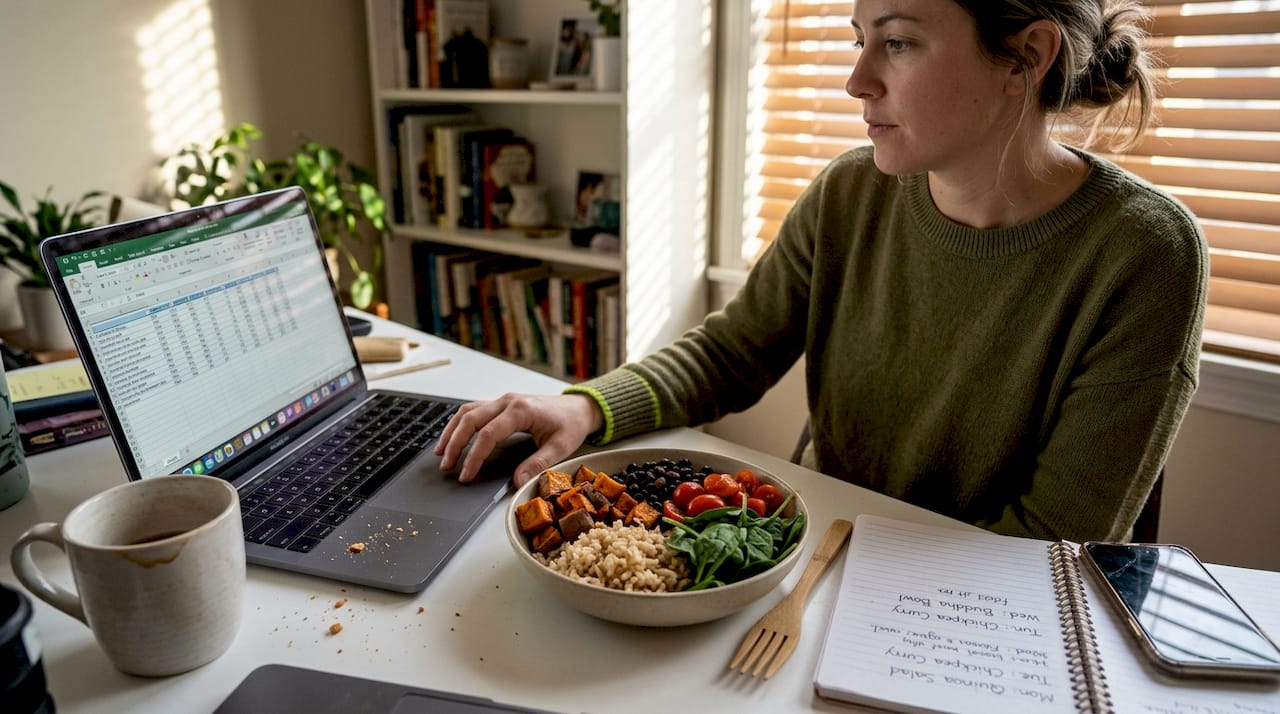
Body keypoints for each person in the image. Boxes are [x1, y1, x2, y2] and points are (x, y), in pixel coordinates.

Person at [435, 0, 1207, 544]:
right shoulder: (851, 191)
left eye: (897, 43)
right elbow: (729, 354)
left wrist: (827, 579)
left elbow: (1050, 541)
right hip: (811, 559)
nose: (856, 80)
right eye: (857, 37)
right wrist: (583, 408)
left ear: (1028, 58)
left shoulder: (1144, 253)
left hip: (956, 619)